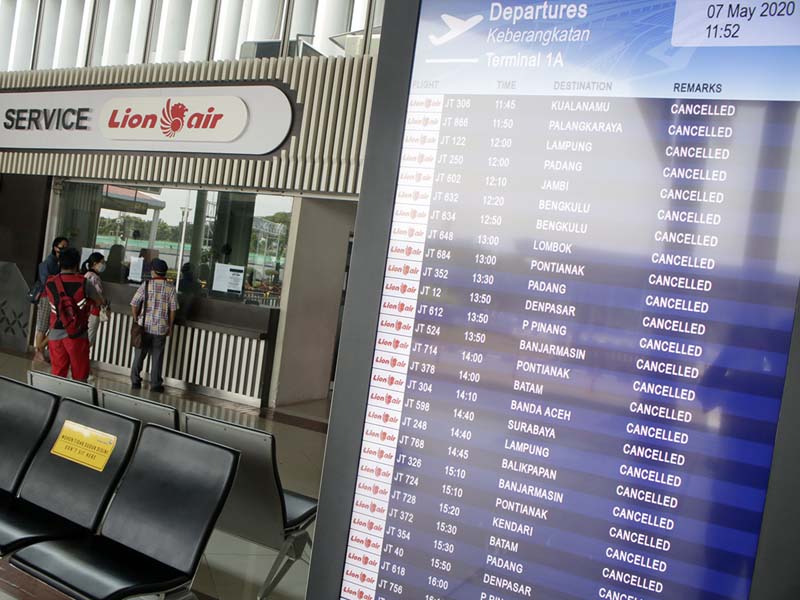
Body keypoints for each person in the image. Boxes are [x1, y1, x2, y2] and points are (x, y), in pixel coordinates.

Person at [44, 247, 104, 382]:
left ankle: (56, 400)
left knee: (58, 372)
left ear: (59, 263)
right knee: (80, 374)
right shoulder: (84, 283)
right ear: (77, 264)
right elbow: (99, 301)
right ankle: (75, 401)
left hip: (55, 333)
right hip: (77, 333)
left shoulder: (50, 282)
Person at [130, 258, 178, 393]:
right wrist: (170, 326)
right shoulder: (170, 288)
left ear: (153, 272)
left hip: (144, 326)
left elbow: (134, 304)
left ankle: (135, 381)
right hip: (161, 328)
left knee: (139, 355)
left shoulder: (145, 285)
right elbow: (173, 309)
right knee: (157, 357)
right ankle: (155, 384)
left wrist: (136, 319)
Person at [33, 237, 69, 362]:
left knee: (52, 325)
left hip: (54, 298)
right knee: (43, 326)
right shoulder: (50, 262)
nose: (64, 249)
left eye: (66, 247)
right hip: (47, 297)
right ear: (55, 247)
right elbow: (47, 282)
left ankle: (40, 350)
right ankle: (39, 351)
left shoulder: (60, 262)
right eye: (61, 247)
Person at [82, 252, 108, 347]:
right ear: (94, 263)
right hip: (93, 310)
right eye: (102, 262)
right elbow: (97, 295)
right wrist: (104, 302)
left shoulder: (88, 275)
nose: (103, 264)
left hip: (88, 310)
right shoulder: (93, 277)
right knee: (89, 339)